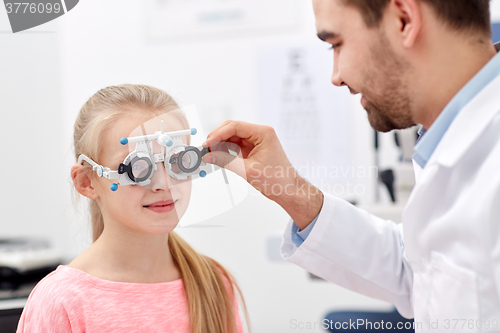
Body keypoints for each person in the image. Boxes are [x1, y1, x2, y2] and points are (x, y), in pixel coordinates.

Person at [201, 0, 500, 330]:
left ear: (404, 19)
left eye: (337, 44)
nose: (336, 76)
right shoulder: (452, 141)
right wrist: (290, 189)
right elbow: (419, 271)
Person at [17, 84, 247, 333]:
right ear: (87, 181)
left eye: (178, 161)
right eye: (139, 168)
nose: (164, 184)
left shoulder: (214, 283)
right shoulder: (62, 300)